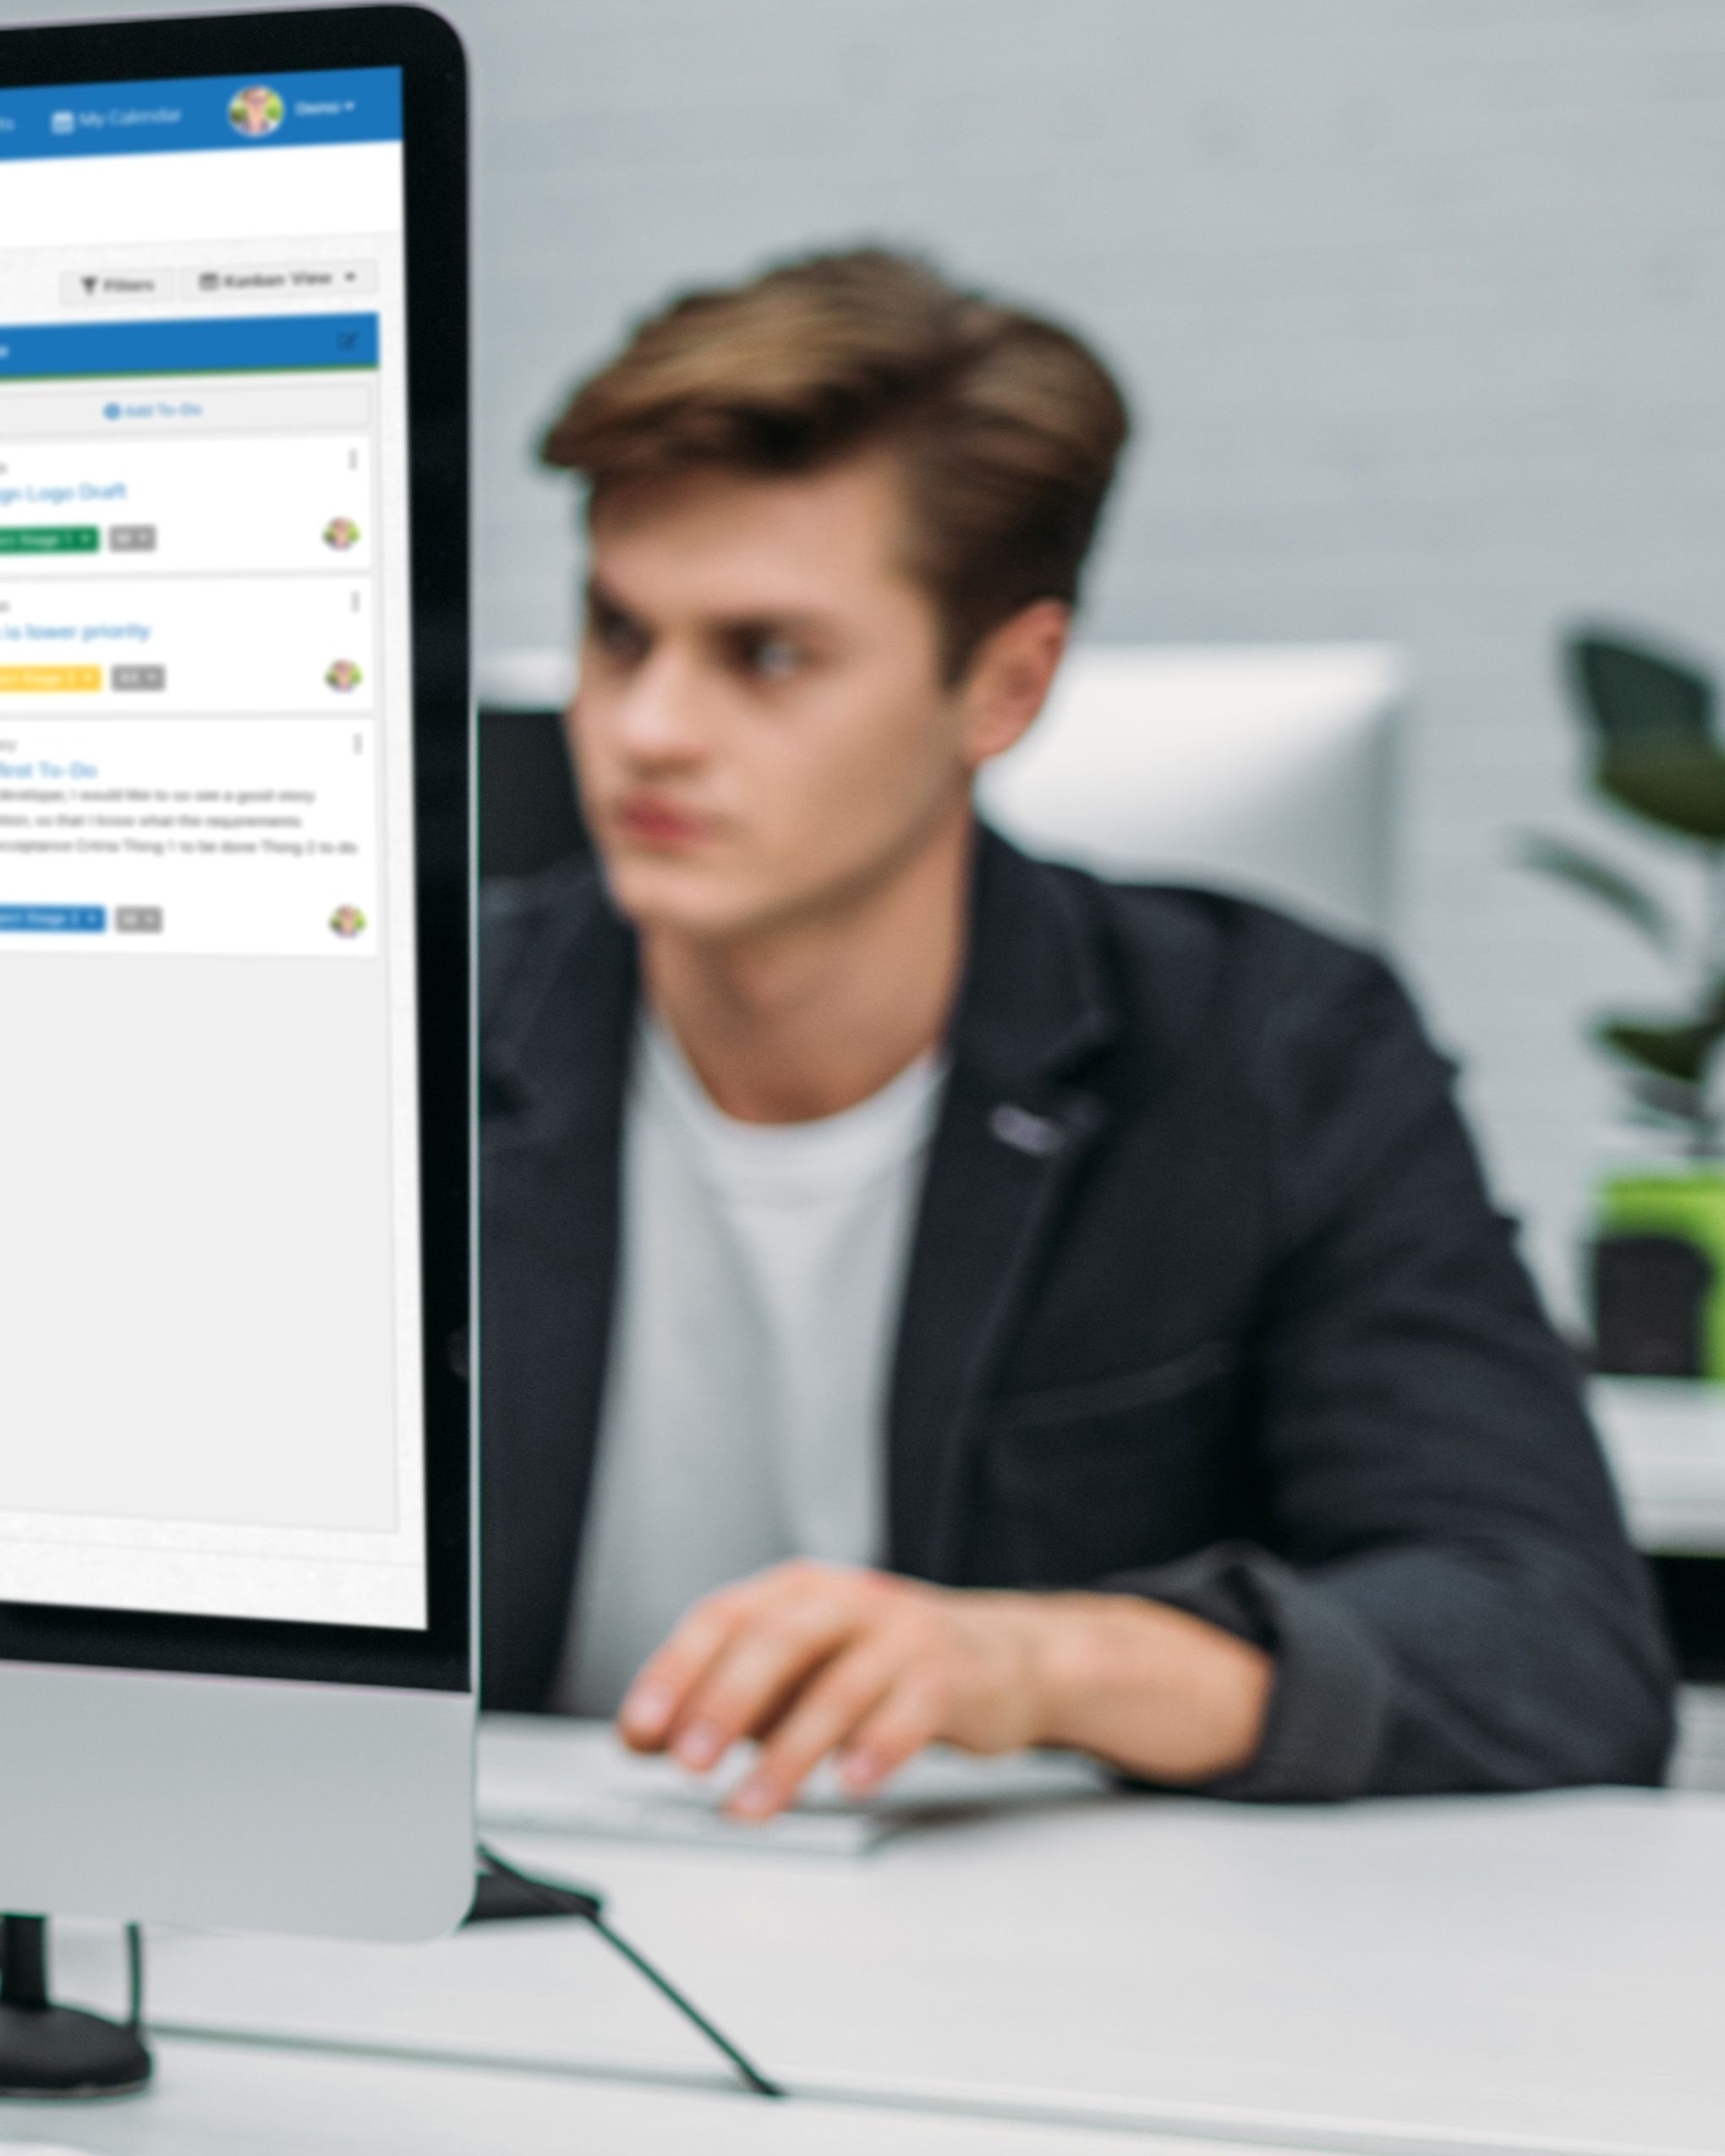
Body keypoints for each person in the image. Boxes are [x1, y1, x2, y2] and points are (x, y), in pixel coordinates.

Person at [488, 247, 1672, 1814]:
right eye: (620, 636)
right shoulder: (402, 1040)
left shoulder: (1273, 1051)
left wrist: (1038, 1665)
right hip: (478, 1919)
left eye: (766, 656)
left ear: (1006, 686)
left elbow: (1554, 1642)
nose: (647, 730)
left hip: (1040, 1940)